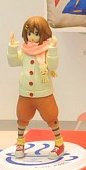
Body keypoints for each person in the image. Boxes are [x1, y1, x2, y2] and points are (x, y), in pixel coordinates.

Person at [7, 16, 62, 155]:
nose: (32, 37)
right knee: (22, 118)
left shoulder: (47, 51)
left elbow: (52, 66)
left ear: (44, 34)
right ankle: (20, 143)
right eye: (29, 33)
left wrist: (53, 49)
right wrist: (12, 47)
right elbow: (13, 62)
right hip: (25, 93)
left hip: (44, 93)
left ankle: (59, 143)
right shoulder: (24, 51)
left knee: (52, 118)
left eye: (36, 33)